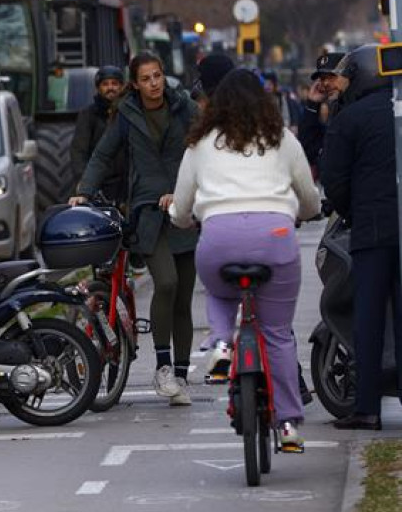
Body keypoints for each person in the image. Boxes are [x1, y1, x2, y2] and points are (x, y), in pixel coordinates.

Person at [169, 69, 321, 452]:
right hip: (276, 237)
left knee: (220, 293)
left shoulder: (200, 143)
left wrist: (183, 220)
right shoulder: (283, 139)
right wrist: (306, 211)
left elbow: (183, 205)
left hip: (218, 236)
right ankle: (288, 424)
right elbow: (308, 196)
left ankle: (221, 344)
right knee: (278, 335)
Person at [71, 52, 199, 406]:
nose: (154, 83)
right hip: (147, 211)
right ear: (136, 83)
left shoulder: (185, 107)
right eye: (146, 79)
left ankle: (182, 376)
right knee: (167, 283)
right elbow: (101, 155)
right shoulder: (127, 114)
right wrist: (83, 191)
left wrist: (197, 189)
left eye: (158, 76)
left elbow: (208, 144)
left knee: (183, 299)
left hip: (185, 208)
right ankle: (162, 366)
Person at [319, 46, 402, 430]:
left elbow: (334, 179)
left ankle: (367, 407)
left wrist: (351, 211)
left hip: (370, 230)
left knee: (367, 318)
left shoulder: (349, 118)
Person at [70, 66, 126, 204]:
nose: (110, 88)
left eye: (114, 84)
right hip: (98, 183)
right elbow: (79, 150)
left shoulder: (128, 113)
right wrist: (84, 182)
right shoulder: (88, 115)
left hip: (126, 184)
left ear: (122, 86)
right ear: (98, 88)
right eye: (105, 84)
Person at [297, 51, 345, 173]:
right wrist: (312, 105)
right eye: (323, 78)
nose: (326, 83)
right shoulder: (335, 108)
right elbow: (308, 150)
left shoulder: (354, 108)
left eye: (331, 76)